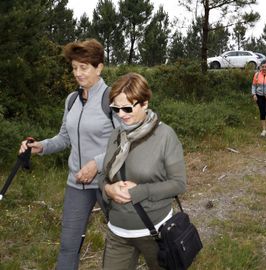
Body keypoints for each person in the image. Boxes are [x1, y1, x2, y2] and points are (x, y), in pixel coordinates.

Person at [18, 39, 118, 269]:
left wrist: (97, 164)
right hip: (77, 184)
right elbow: (64, 138)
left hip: (108, 181)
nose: (78, 73)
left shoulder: (112, 98)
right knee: (68, 246)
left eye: (84, 67)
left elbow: (125, 142)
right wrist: (39, 146)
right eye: (74, 68)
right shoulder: (71, 100)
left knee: (126, 238)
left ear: (99, 67)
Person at [99, 72, 187, 269]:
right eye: (115, 108)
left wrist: (140, 191)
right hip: (118, 232)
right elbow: (103, 175)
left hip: (155, 232)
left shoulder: (165, 135)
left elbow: (179, 184)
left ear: (145, 103)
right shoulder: (116, 134)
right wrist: (108, 189)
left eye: (127, 108)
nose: (121, 114)